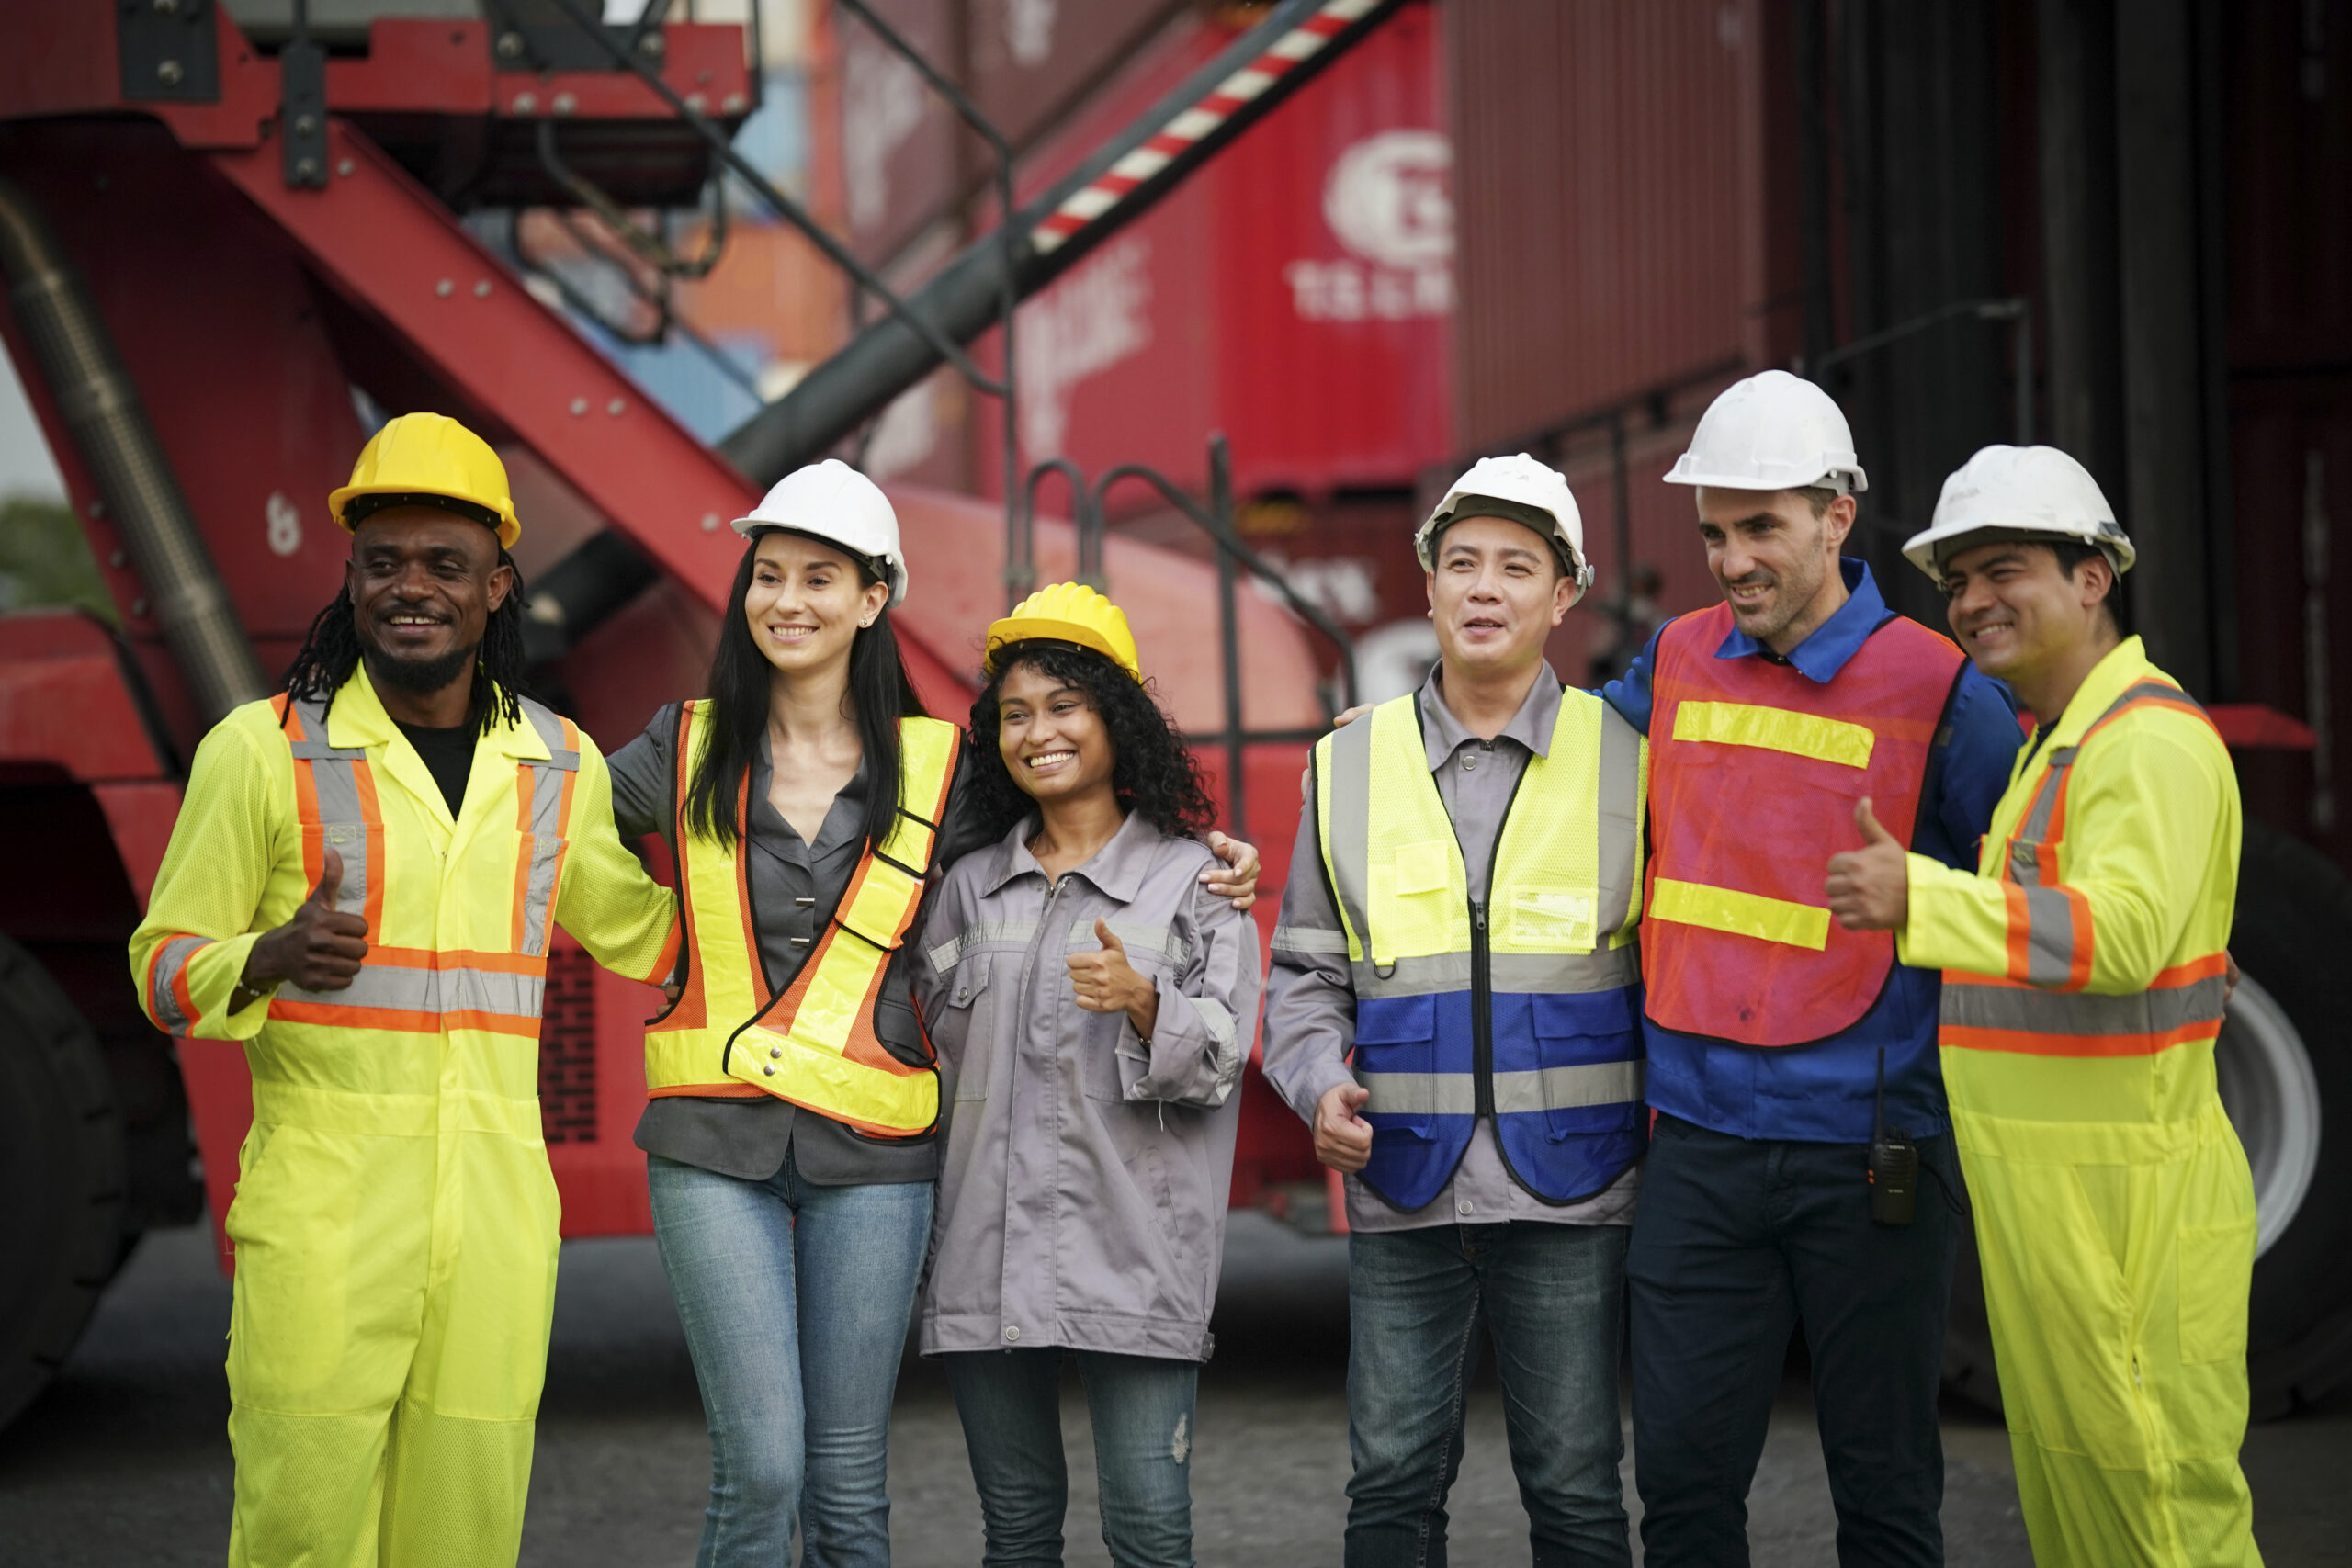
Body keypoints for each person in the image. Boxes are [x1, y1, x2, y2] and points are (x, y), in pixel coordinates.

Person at [603, 468, 1260, 1567]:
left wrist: (1202, 878)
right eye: (767, 576)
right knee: (800, 1478)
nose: (787, 600)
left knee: (909, 1497)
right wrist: (655, 938)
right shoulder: (702, 754)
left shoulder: (969, 786)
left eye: (820, 576)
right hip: (806, 1178)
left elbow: (1206, 1024)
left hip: (964, 1195)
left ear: (873, 599)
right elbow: (550, 821)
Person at [129, 413, 684, 1568]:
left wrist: (811, 887)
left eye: (444, 564)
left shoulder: (559, 763)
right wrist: (262, 957)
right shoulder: (260, 749)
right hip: (326, 1219)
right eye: (383, 563)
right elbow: (162, 973)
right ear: (352, 580)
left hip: (493, 1220)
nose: (410, 588)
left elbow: (651, 938)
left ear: (498, 586)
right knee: (302, 1527)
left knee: (466, 1534)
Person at [1602, 369, 2021, 1567]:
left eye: (1762, 527)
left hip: (1870, 1149)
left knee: (1886, 1499)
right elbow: (1547, 771)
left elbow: (2037, 883)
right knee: (1680, 1499)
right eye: (1716, 534)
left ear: (1838, 515)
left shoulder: (1945, 690)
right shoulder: (1673, 659)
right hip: (1696, 1146)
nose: (1733, 560)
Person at [1826, 445, 2263, 1567]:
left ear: (2091, 578)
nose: (1972, 602)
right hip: (2057, 1197)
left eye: (2004, 569)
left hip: (2124, 1207)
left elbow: (2114, 937)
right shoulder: (2051, 749)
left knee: (2156, 1508)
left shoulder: (2146, 744)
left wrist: (1922, 895)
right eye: (1958, 581)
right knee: (2082, 1515)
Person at [1263, 454, 1649, 1567]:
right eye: (1463, 562)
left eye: (1517, 567)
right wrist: (1312, 1080)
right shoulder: (1346, 763)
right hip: (1403, 1177)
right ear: (1426, 585)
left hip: (1571, 1189)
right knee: (1389, 1485)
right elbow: (1302, 971)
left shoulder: (1630, 761)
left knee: (1575, 1490)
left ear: (1563, 595)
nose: (1485, 588)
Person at [914, 583, 1263, 1568]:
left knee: (1149, 1536)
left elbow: (1227, 1055)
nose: (1039, 733)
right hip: (984, 1253)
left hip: (1137, 1252)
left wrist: (1146, 1000)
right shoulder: (967, 889)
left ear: (1118, 721)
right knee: (1016, 1536)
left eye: (1064, 706)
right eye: (1015, 715)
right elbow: (921, 1040)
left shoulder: (1194, 880)